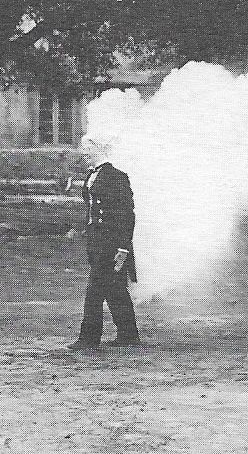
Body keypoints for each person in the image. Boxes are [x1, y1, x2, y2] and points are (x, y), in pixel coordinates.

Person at [68, 134, 140, 349]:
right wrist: (83, 230)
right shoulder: (91, 175)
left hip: (111, 243)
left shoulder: (117, 176)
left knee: (95, 289)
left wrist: (123, 247)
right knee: (115, 288)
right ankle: (128, 334)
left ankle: (88, 339)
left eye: (87, 149)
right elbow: (93, 212)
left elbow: (126, 214)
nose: (83, 153)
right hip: (96, 243)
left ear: (98, 149)